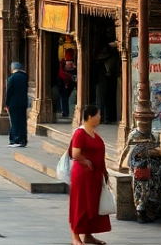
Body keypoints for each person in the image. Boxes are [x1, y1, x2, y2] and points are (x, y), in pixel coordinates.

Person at [69, 104, 110, 245]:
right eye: (98, 115)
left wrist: (104, 172)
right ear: (90, 117)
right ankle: (75, 236)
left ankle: (88, 235)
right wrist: (85, 162)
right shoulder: (80, 133)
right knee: (80, 205)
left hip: (95, 175)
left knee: (92, 206)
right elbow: (75, 153)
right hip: (82, 175)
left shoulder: (94, 133)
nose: (100, 117)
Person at [5, 62, 30, 148]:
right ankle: (23, 139)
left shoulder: (12, 78)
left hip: (14, 103)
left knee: (15, 122)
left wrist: (6, 103)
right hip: (23, 102)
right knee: (22, 122)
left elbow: (9, 91)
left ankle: (16, 139)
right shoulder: (25, 77)